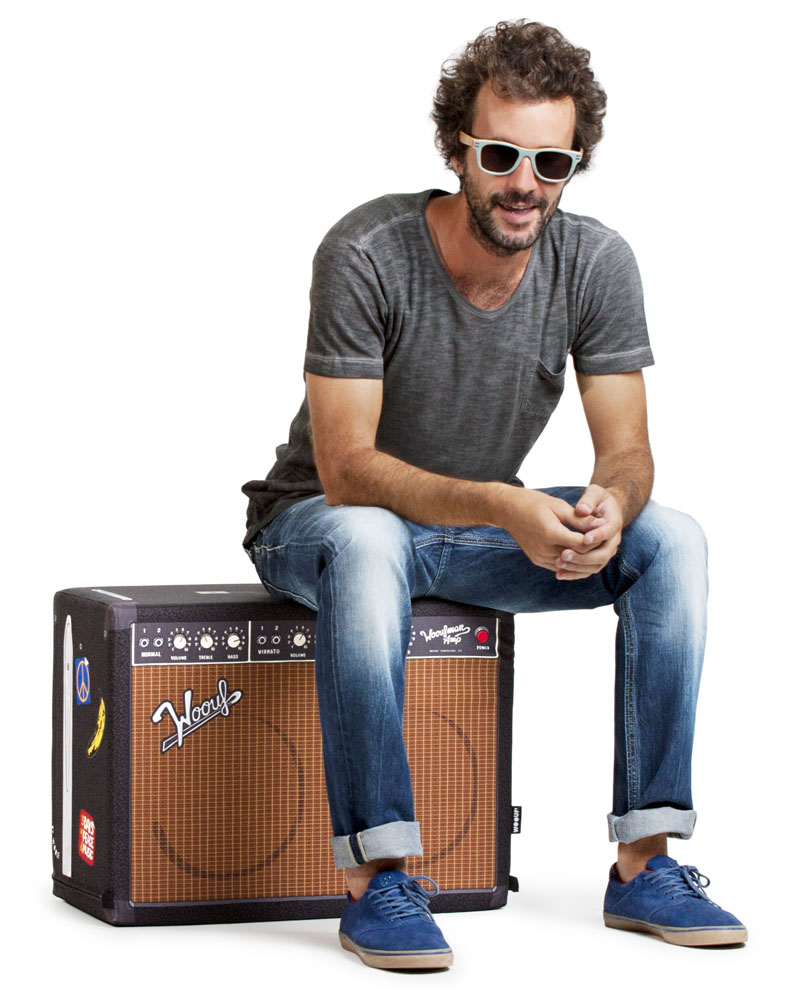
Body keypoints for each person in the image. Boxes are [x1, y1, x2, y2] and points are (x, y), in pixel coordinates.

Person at [241, 20, 746, 969]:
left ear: (573, 165)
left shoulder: (595, 262)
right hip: (317, 525)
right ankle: (379, 879)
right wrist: (507, 508)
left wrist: (612, 504)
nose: (524, 184)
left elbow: (628, 450)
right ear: (456, 149)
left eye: (551, 162)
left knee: (671, 538)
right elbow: (348, 471)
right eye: (501, 155)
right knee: (370, 540)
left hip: (464, 531)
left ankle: (644, 864)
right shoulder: (368, 250)